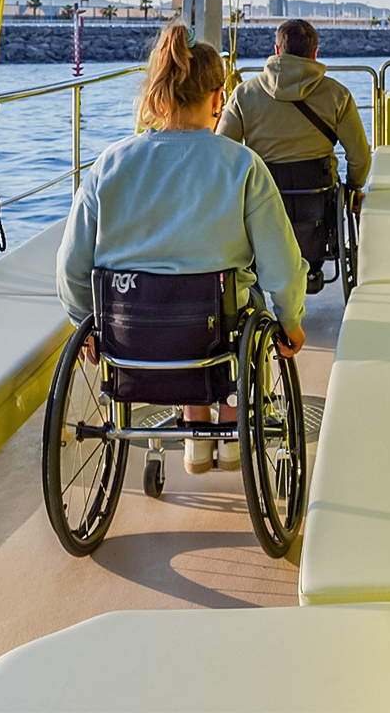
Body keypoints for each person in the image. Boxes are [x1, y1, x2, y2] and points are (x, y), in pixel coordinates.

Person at [58, 23, 308, 475]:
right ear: (218, 99)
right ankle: (229, 430)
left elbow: (71, 267)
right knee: (242, 304)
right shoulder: (242, 165)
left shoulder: (108, 165)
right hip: (214, 335)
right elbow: (281, 266)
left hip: (130, 338)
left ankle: (195, 432)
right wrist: (290, 320)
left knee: (184, 306)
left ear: (158, 93)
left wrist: (83, 322)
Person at [217, 19, 370, 293]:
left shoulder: (244, 94)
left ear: (277, 50)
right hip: (318, 206)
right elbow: (359, 155)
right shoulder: (337, 94)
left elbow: (222, 154)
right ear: (315, 53)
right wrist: (355, 187)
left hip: (262, 202)